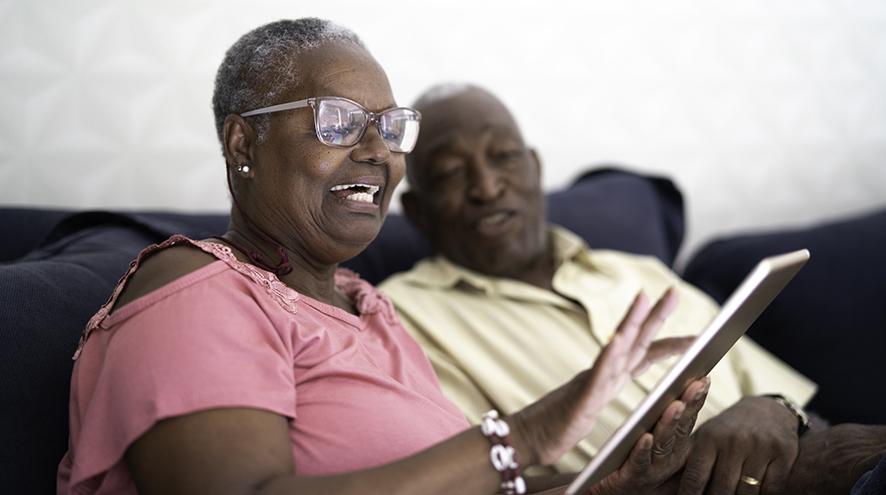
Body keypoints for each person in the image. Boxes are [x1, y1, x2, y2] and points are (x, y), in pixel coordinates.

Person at [57, 19, 712, 495]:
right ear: (242, 142)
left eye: (390, 127)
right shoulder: (196, 294)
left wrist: (612, 483)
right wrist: (523, 435)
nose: (377, 151)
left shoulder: (369, 308)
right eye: (338, 121)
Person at [380, 83, 886, 494]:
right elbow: (473, 484)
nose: (487, 187)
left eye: (504, 156)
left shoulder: (639, 271)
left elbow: (804, 408)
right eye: (449, 172)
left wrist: (773, 407)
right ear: (418, 213)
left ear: (534, 169)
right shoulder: (403, 318)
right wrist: (691, 467)